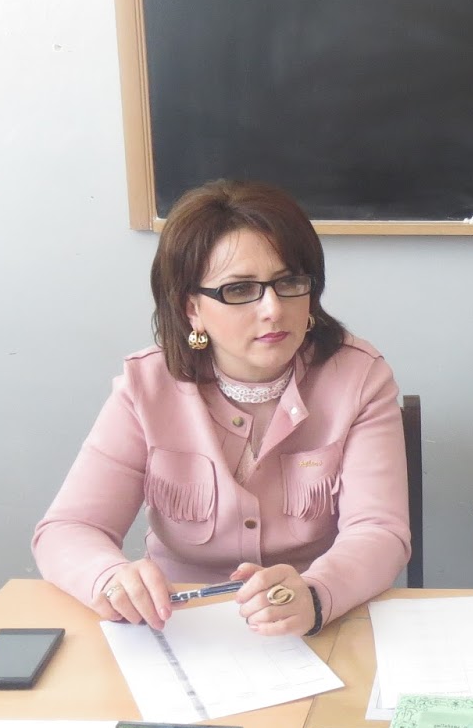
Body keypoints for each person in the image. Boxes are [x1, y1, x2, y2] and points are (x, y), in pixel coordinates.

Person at [34, 180, 410, 636]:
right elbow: (68, 528)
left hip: (315, 624)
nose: (273, 309)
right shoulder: (146, 387)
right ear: (191, 308)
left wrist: (315, 593)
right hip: (178, 629)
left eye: (289, 282)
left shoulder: (359, 377)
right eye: (239, 289)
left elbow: (379, 531)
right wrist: (111, 577)